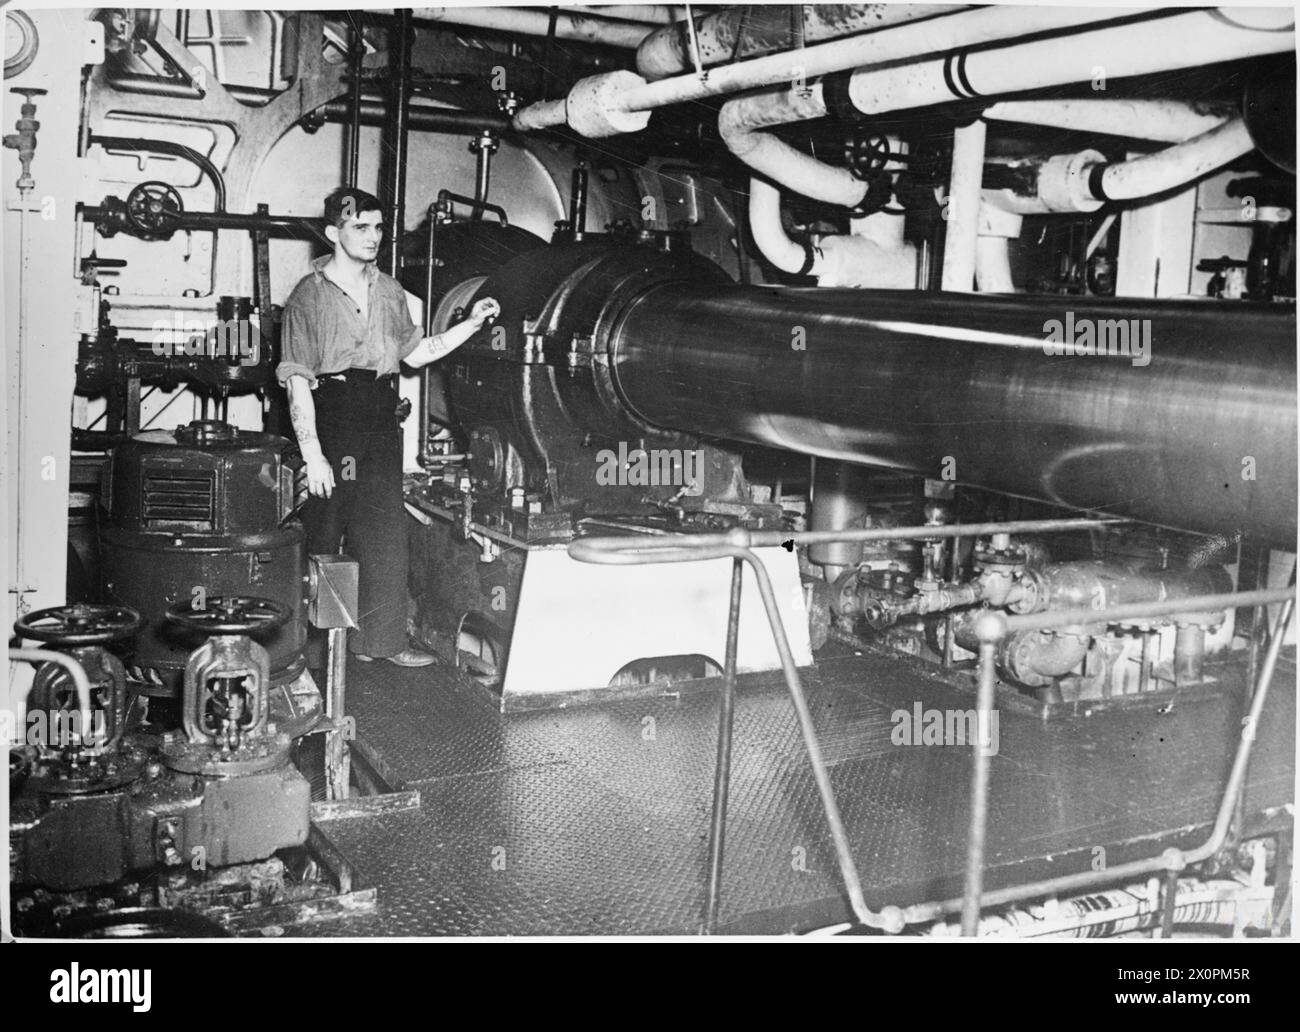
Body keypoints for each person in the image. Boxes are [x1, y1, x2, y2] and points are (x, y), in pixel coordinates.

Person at [277, 187, 499, 666]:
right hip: (331, 414)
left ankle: (381, 643)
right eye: (361, 227)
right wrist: (313, 456)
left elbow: (416, 353)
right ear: (333, 232)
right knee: (320, 534)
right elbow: (296, 381)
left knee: (384, 537)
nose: (373, 236)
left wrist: (471, 325)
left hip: (379, 417)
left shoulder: (391, 290)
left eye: (379, 227)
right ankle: (304, 656)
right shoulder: (308, 297)